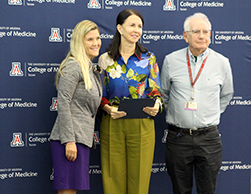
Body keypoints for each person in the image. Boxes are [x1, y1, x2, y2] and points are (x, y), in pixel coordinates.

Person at [161, 13, 234, 194]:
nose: (202, 36)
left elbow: (226, 95)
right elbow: (164, 94)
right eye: (196, 32)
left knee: (207, 190)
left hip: (209, 139)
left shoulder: (222, 62)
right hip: (178, 138)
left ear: (210, 34)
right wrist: (180, 114)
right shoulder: (171, 60)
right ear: (186, 36)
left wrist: (209, 114)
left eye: (205, 32)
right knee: (180, 190)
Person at [98, 9, 163, 194]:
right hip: (113, 122)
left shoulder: (149, 59)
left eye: (140, 26)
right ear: (120, 28)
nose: (137, 30)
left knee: (140, 181)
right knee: (113, 180)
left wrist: (157, 104)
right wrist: (108, 108)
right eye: (132, 25)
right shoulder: (105, 59)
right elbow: (98, 94)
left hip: (142, 123)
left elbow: (156, 91)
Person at [49, 20, 102, 194]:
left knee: (72, 190)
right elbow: (63, 102)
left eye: (98, 38)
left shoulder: (89, 68)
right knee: (67, 191)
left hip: (81, 139)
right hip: (70, 140)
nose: (96, 43)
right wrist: (69, 141)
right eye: (90, 39)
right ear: (80, 42)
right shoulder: (73, 65)